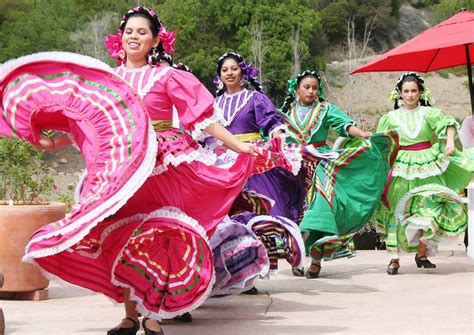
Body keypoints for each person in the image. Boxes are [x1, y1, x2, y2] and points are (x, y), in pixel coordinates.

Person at [1, 7, 292, 335]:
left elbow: (203, 119)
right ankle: (129, 316)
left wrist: (238, 146)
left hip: (161, 165)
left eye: (142, 32)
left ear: (155, 40)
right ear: (120, 39)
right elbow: (88, 122)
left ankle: (152, 314)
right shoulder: (108, 81)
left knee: (155, 238)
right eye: (129, 31)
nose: (134, 36)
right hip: (121, 170)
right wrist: (51, 144)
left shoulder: (166, 76)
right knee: (118, 238)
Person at [279, 70, 398, 279]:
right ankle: (295, 257)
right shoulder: (286, 110)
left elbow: (345, 125)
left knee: (322, 207)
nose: (311, 91)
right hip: (293, 165)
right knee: (293, 211)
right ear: (297, 88)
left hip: (320, 164)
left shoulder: (325, 109)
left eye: (315, 88)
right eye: (307, 87)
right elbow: (273, 131)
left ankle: (316, 261)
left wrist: (362, 134)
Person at [208, 52, 305, 281]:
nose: (229, 73)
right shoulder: (214, 104)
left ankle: (257, 265)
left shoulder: (254, 99)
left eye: (233, 68)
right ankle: (234, 267)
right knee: (227, 215)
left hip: (251, 158)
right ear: (219, 76)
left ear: (243, 72)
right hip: (222, 162)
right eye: (224, 70)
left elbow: (273, 124)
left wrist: (279, 140)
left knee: (255, 210)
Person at [376, 72, 471, 275]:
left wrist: (449, 142)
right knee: (396, 210)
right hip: (401, 167)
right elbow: (380, 143)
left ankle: (421, 253)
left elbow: (448, 124)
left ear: (420, 92)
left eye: (414, 91)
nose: (410, 95)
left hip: (428, 164)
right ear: (399, 94)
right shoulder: (389, 118)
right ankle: (394, 259)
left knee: (430, 208)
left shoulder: (429, 113)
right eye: (406, 91)